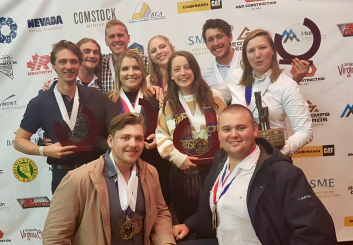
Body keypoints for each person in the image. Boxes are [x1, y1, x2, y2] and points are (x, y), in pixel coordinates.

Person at [173, 104, 337, 245]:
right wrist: (190, 224)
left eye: (241, 128)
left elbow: (317, 233)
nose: (234, 134)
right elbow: (220, 203)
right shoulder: (220, 163)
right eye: (226, 129)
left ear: (255, 130)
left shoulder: (283, 174)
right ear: (219, 134)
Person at [42, 113, 176, 245]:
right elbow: (54, 238)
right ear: (110, 141)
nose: (133, 144)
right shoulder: (78, 179)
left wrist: (166, 242)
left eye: (139, 138)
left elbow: (160, 213)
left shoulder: (150, 172)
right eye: (125, 137)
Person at [14, 40, 112, 193]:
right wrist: (44, 151)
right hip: (62, 176)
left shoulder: (97, 96)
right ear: (53, 65)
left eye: (74, 61)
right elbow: (19, 141)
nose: (69, 66)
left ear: (80, 64)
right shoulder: (39, 102)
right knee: (66, 218)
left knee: (98, 218)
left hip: (96, 174)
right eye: (62, 62)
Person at [156, 51, 226, 224]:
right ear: (171, 75)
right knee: (187, 224)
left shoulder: (214, 97)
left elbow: (227, 127)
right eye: (177, 69)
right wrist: (177, 157)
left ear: (195, 70)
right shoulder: (168, 104)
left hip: (216, 169)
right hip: (182, 174)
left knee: (219, 220)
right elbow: (161, 134)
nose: (183, 73)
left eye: (187, 67)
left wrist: (221, 155)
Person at [228, 29, 313, 157]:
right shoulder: (235, 78)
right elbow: (213, 97)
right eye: (251, 50)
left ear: (272, 50)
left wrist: (277, 153)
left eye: (262, 48)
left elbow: (305, 131)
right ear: (246, 55)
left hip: (273, 160)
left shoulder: (287, 85)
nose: (257, 55)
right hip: (240, 157)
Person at [107, 50, 171, 205]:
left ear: (143, 71)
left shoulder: (156, 97)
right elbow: (97, 138)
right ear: (118, 73)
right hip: (119, 170)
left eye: (136, 68)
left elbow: (170, 130)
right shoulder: (106, 101)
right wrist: (117, 146)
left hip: (155, 167)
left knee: (159, 211)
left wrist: (161, 139)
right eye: (125, 69)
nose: (131, 73)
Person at [201, 19, 310, 104]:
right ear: (206, 44)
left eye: (220, 37)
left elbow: (275, 89)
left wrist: (296, 79)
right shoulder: (204, 76)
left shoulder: (253, 61)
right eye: (210, 39)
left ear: (230, 37)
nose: (216, 43)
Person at [102, 19, 149, 93]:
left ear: (128, 38)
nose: (116, 40)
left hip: (140, 104)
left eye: (120, 35)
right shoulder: (102, 65)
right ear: (106, 41)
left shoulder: (146, 61)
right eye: (111, 37)